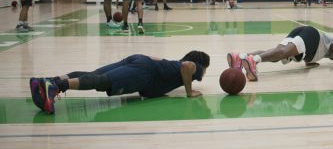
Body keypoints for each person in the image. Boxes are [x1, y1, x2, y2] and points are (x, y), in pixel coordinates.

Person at [29, 51, 210, 114]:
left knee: (93, 75)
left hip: (139, 61)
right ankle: (55, 87)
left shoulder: (171, 65)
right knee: (102, 81)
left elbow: (155, 60)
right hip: (144, 71)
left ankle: (46, 81)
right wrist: (189, 91)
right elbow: (188, 66)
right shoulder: (196, 66)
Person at [227, 26, 333, 81]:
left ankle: (240, 57)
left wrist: (311, 63)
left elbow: (309, 54)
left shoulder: (323, 49)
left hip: (306, 33)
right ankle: (254, 61)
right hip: (312, 36)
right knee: (282, 52)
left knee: (276, 54)